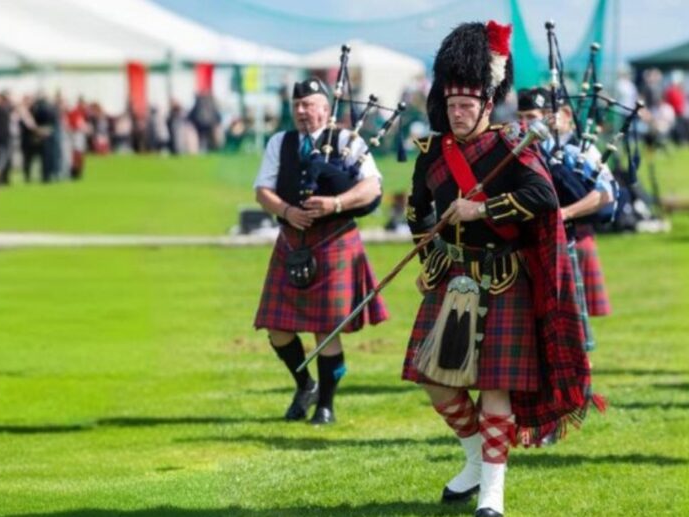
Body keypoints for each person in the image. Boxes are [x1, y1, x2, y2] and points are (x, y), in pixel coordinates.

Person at [402, 21, 599, 517]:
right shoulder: (432, 154)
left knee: (495, 386)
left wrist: (482, 210)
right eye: (452, 106)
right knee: (436, 380)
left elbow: (543, 197)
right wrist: (428, 259)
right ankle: (473, 460)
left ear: (487, 105)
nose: (459, 113)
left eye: (467, 106)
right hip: (450, 276)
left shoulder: (511, 145)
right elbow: (417, 211)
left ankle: (493, 495)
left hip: (504, 275)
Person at [253, 77, 388, 425]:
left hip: (334, 240)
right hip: (292, 240)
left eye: (309, 104)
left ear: (326, 110)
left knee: (326, 329)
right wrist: (286, 211)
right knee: (276, 328)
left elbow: (372, 187)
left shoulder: (347, 140)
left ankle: (325, 405)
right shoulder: (279, 142)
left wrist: (336, 202)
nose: (301, 111)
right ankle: (305, 385)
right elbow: (262, 190)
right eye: (296, 105)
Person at [515, 87, 614, 340]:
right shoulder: (517, 149)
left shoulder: (577, 149)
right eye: (521, 117)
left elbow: (606, 193)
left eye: (531, 116)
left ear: (550, 116)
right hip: (529, 243)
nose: (525, 123)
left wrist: (565, 213)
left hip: (570, 239)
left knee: (570, 326)